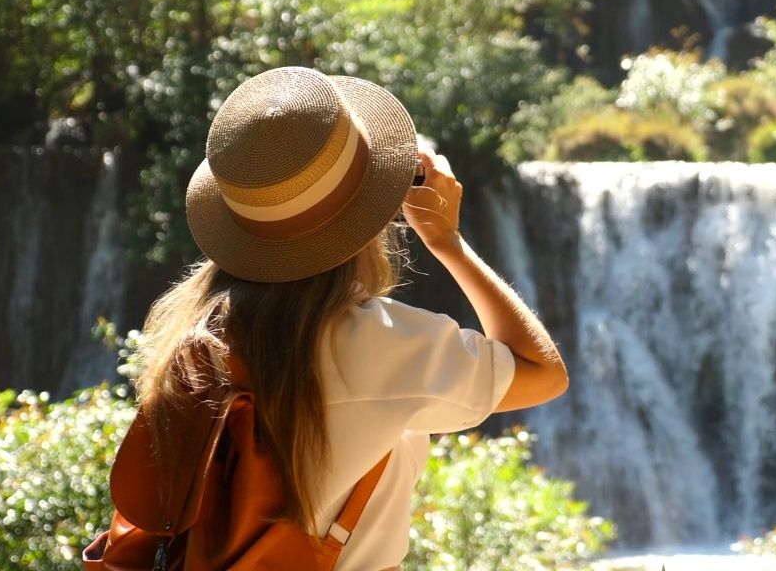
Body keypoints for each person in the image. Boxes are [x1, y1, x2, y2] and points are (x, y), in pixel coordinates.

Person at [131, 66, 568, 570]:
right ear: (373, 208)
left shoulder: (194, 334)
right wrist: (449, 243)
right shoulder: (376, 342)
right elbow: (543, 372)